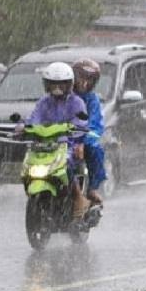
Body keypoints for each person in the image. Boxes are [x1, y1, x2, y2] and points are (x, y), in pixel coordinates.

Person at [27, 62, 89, 218]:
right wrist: (24, 128)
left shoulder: (77, 102)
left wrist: (74, 130)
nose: (57, 88)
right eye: (53, 84)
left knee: (66, 164)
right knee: (30, 164)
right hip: (45, 146)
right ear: (46, 85)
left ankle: (78, 198)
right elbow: (34, 118)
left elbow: (80, 122)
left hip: (68, 146)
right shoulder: (43, 102)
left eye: (61, 84)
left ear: (69, 84)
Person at [73, 58, 106, 204]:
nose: (84, 82)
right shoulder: (64, 97)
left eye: (89, 79)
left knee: (96, 151)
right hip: (64, 140)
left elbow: (95, 123)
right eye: (81, 77)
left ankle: (91, 188)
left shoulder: (92, 100)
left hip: (84, 139)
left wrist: (83, 141)